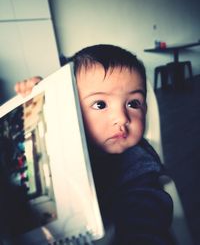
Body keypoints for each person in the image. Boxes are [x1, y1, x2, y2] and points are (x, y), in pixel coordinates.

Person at [15, 44, 173, 245]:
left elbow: (145, 214)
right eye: (100, 104)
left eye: (133, 103)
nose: (121, 118)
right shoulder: (67, 141)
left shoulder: (137, 162)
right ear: (70, 107)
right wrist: (38, 96)